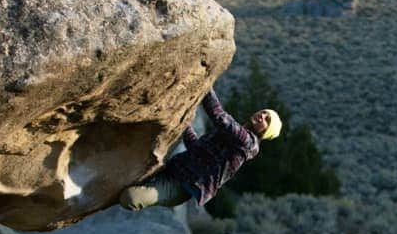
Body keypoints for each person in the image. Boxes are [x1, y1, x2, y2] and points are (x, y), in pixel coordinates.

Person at [120, 87, 280, 210]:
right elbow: (196, 149)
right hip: (173, 168)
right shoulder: (234, 137)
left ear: (265, 133)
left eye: (267, 120)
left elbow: (219, 116)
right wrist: (184, 123)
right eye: (264, 113)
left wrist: (206, 82)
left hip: (180, 187)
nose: (262, 116)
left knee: (131, 198)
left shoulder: (248, 144)